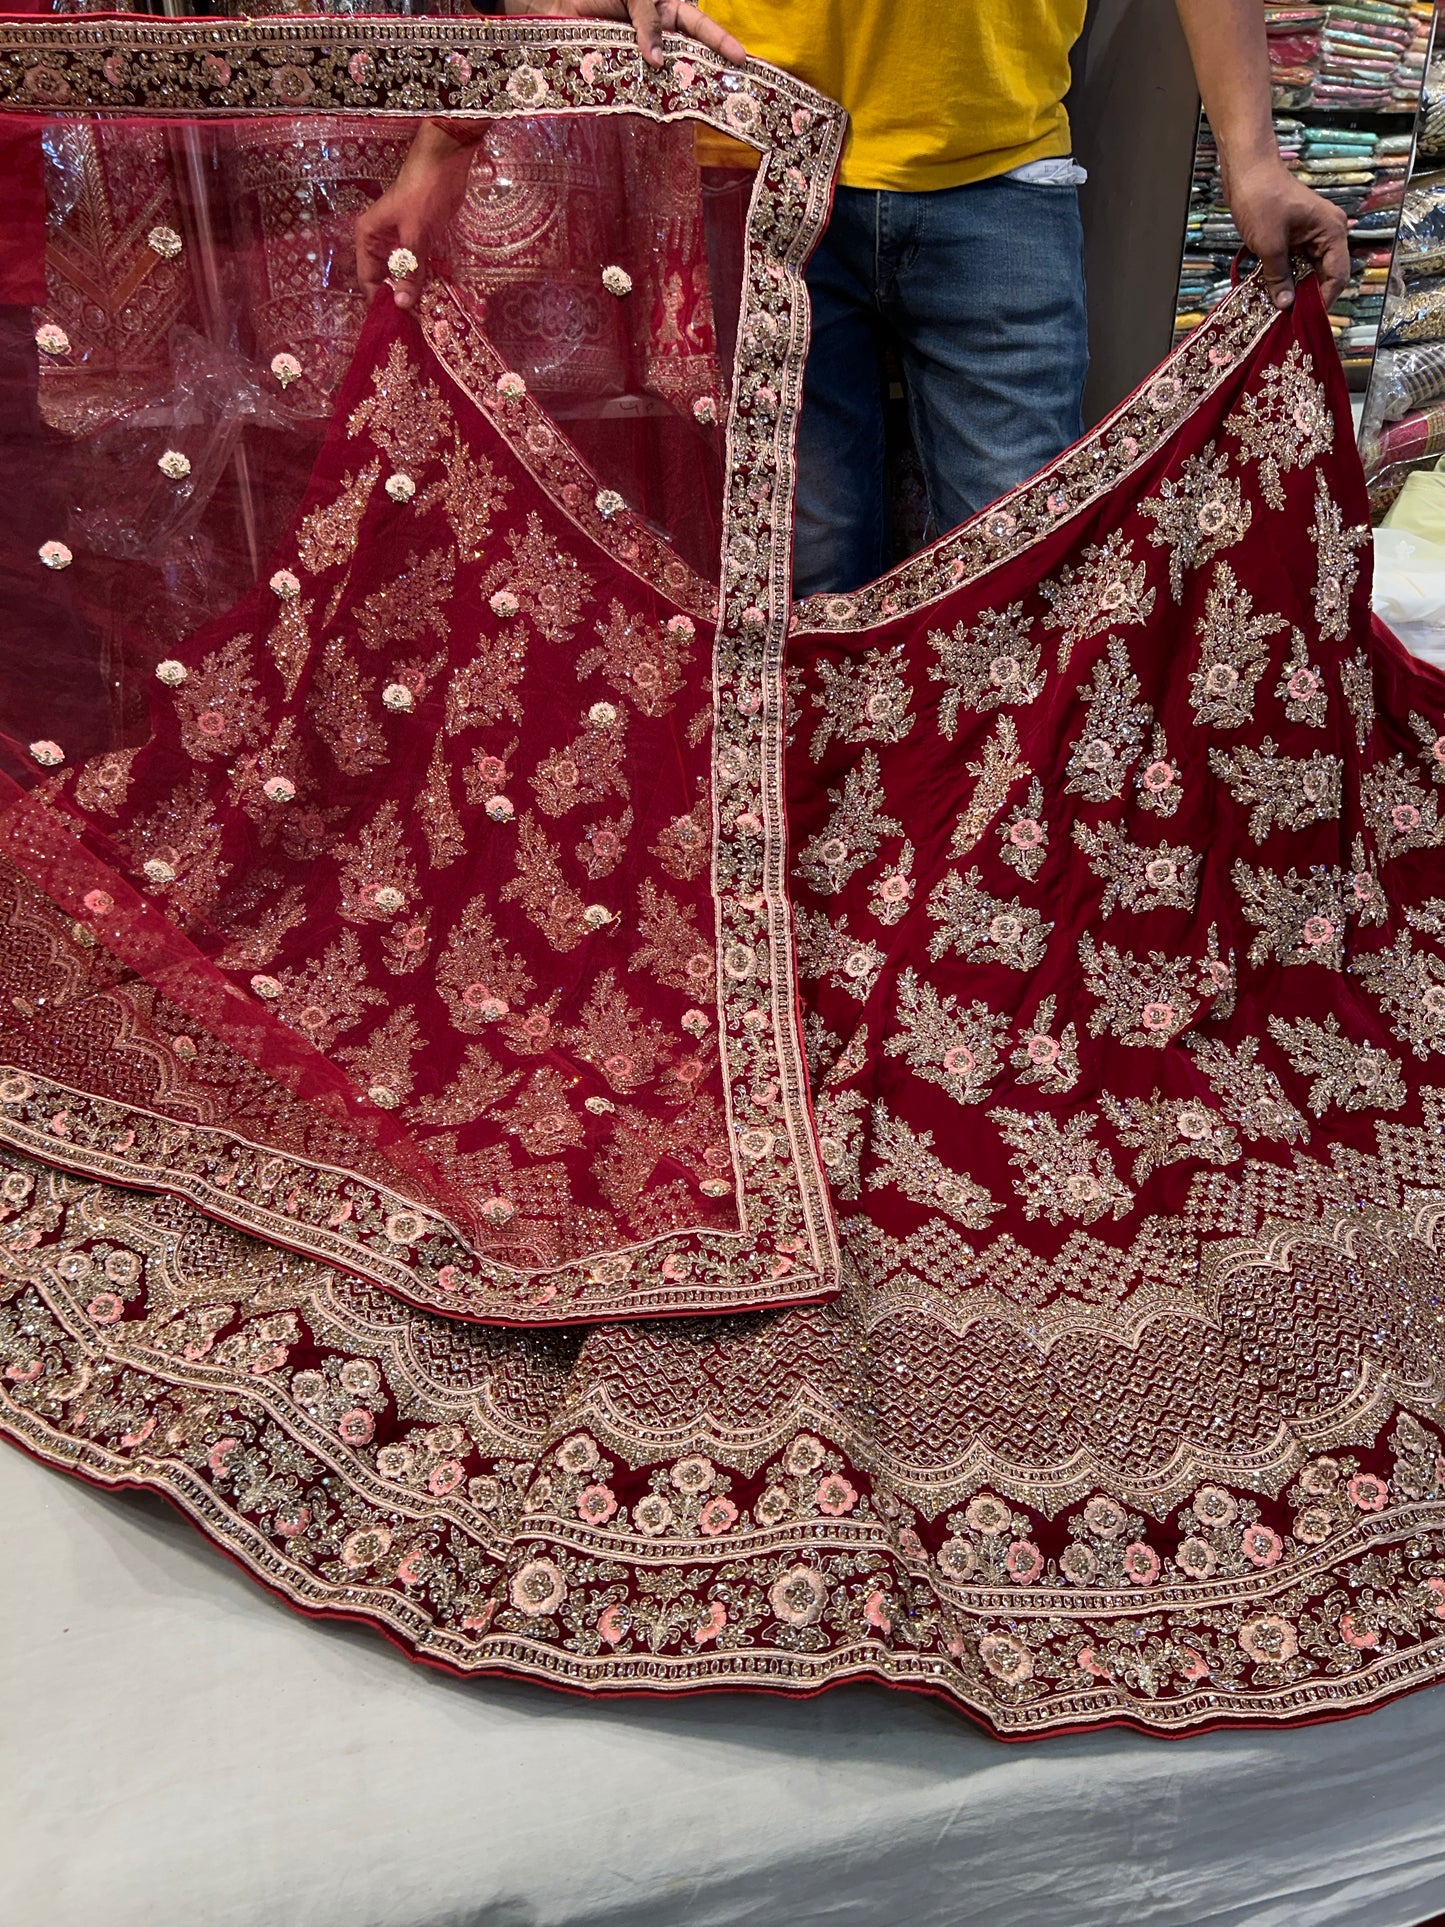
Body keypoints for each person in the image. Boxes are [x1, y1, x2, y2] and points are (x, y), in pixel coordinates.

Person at [356, 0, 1351, 596]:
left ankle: (982, 870)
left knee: (1016, 560)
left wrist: (1253, 161)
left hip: (995, 168)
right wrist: (450, 138)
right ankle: (831, 852)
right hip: (749, 163)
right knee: (800, 561)